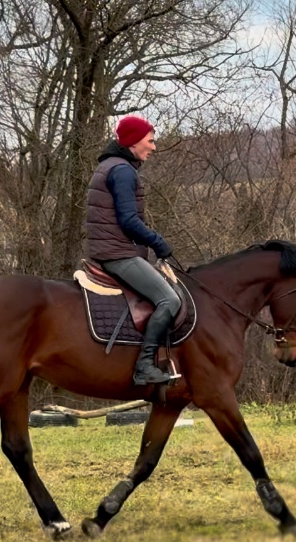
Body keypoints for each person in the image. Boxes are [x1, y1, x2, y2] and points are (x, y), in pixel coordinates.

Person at [85, 115, 182, 385]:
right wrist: (158, 242)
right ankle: (144, 367)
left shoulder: (111, 165)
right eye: (150, 141)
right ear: (133, 142)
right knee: (169, 300)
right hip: (118, 254)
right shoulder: (123, 171)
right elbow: (129, 221)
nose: (153, 147)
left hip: (108, 249)